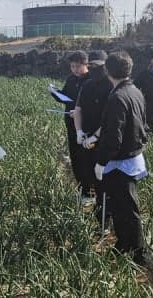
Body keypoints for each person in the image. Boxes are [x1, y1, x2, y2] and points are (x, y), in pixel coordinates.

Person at [93, 51, 152, 267]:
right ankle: (124, 244)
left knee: (129, 209)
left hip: (121, 162)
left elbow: (114, 137)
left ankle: (139, 253)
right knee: (120, 206)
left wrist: (101, 161)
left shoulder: (117, 97)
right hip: (132, 157)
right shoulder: (134, 91)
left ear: (107, 70)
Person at [72, 50, 112, 223]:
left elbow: (111, 119)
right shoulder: (87, 85)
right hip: (87, 138)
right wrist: (79, 131)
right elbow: (78, 109)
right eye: (92, 66)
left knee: (105, 181)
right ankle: (95, 207)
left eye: (98, 66)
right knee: (90, 173)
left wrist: (95, 137)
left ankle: (104, 218)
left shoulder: (111, 87)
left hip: (104, 140)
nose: (94, 69)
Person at [49, 51, 93, 204]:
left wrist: (81, 113)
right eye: (72, 66)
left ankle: (90, 192)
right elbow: (66, 97)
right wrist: (54, 92)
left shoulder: (91, 81)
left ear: (85, 64)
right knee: (75, 158)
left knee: (85, 158)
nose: (74, 69)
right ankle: (82, 190)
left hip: (85, 126)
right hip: (70, 124)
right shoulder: (71, 79)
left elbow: (94, 104)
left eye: (77, 66)